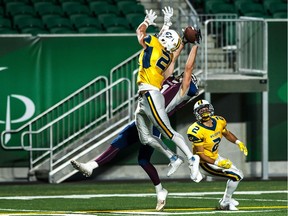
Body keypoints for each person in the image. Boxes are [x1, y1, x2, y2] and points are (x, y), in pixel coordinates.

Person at [71, 27, 202, 213]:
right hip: (148, 107)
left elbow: (188, 68)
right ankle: (160, 187)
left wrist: (194, 46)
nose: (186, 77)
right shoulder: (169, 80)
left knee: (141, 154)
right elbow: (170, 61)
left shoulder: (185, 91)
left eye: (190, 79)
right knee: (130, 149)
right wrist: (182, 42)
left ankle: (185, 159)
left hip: (156, 121)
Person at [134, 6, 200, 185]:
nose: (162, 36)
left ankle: (191, 159)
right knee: (145, 137)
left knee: (168, 132)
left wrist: (147, 21)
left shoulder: (156, 45)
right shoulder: (166, 55)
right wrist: (167, 23)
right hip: (144, 97)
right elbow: (166, 44)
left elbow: (140, 32)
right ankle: (173, 157)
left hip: (151, 94)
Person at [187, 99, 248, 211]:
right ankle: (225, 203)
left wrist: (238, 142)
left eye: (206, 109)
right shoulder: (195, 130)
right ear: (197, 113)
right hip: (205, 162)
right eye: (201, 110)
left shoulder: (219, 120)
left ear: (211, 109)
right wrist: (217, 162)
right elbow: (200, 155)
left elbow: (227, 134)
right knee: (236, 176)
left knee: (239, 175)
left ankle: (226, 199)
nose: (204, 112)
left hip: (215, 156)